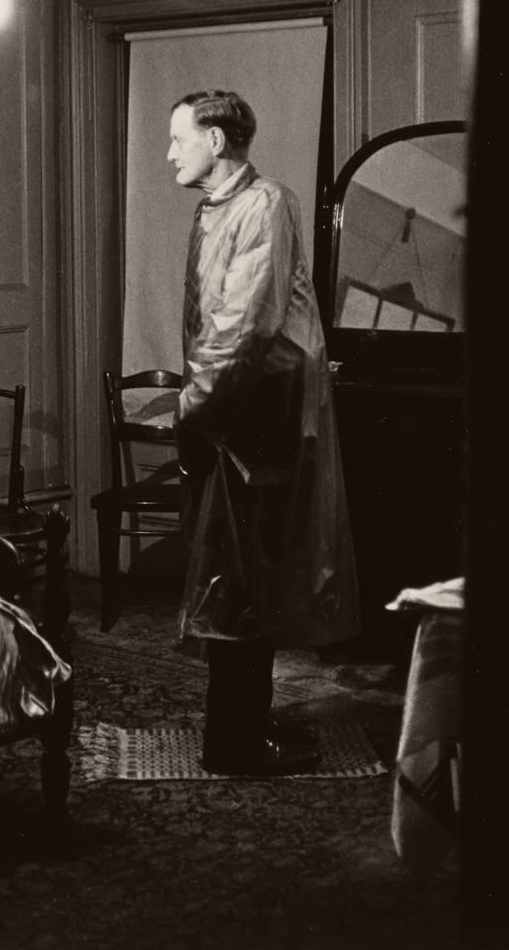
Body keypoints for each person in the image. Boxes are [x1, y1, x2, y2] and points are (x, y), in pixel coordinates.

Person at [167, 89, 359, 775]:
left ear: (215, 141)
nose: (170, 155)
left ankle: (240, 739)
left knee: (249, 582)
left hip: (256, 422)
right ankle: (236, 740)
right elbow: (212, 325)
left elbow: (245, 325)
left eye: (179, 140)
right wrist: (199, 411)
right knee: (233, 582)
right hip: (230, 418)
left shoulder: (265, 203)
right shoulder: (216, 208)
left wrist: (196, 410)